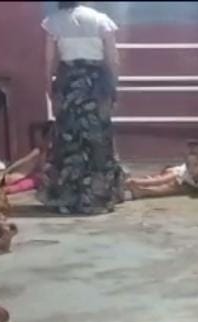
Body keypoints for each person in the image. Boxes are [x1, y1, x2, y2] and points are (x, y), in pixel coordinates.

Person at [39, 1, 126, 215]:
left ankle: (66, 197)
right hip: (95, 84)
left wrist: (49, 86)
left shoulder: (53, 22)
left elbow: (49, 60)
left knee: (68, 138)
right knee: (98, 138)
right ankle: (98, 196)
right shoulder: (101, 20)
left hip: (68, 83)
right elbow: (112, 59)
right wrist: (113, 86)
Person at [125, 143, 198, 204]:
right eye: (189, 165)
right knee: (174, 186)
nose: (192, 169)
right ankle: (143, 192)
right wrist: (138, 182)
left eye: (196, 165)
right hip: (193, 186)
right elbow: (161, 180)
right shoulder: (184, 171)